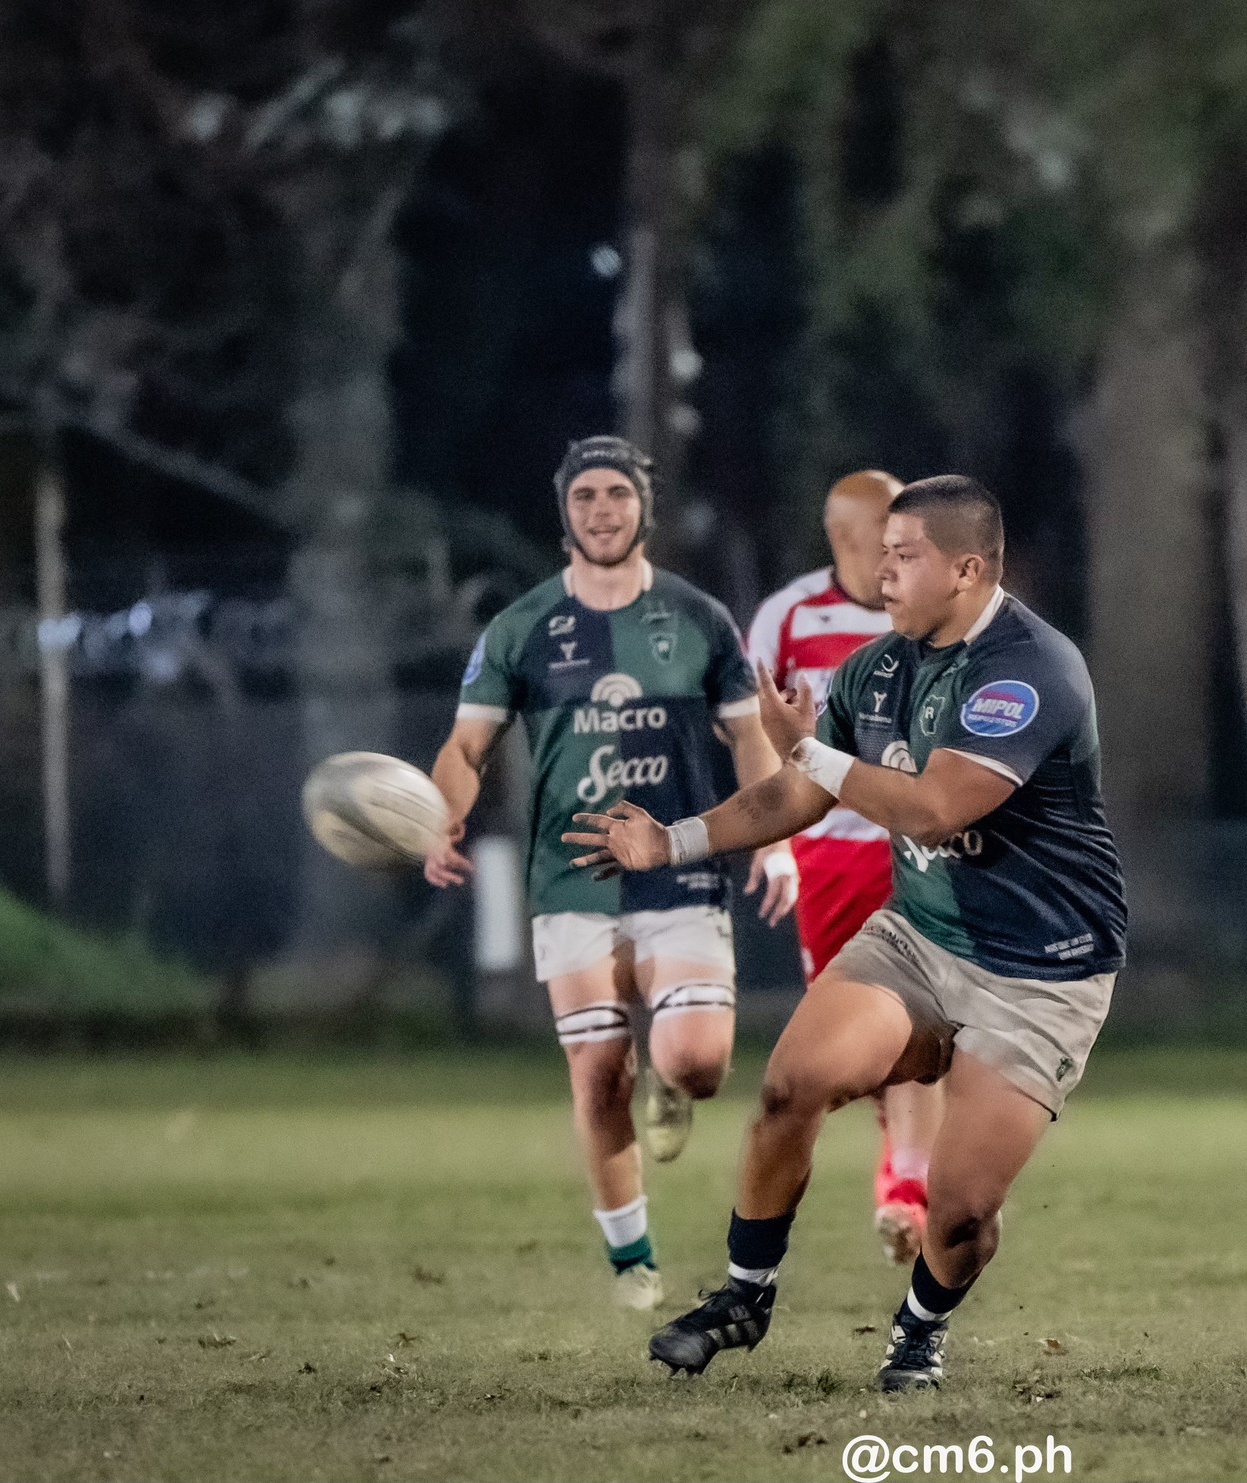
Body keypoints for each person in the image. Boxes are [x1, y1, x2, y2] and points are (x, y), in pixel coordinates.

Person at [565, 475, 1127, 1391]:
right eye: (879, 549)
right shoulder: (877, 666)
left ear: (970, 568)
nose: (880, 568)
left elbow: (937, 808)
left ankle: (917, 1331)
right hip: (921, 935)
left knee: (959, 1215)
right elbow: (799, 793)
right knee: (792, 1085)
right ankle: (744, 1295)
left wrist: (813, 751)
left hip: (1041, 969)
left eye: (905, 555)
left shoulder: (1031, 668)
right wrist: (672, 839)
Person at [422, 436, 796, 1312]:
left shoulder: (699, 618)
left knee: (699, 1063)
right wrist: (441, 815)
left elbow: (748, 737)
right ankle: (633, 1256)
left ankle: (673, 1082)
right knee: (596, 1071)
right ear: (565, 511)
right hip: (572, 881)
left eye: (616, 494)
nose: (601, 509)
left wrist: (773, 839)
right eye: (585, 494)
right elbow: (465, 746)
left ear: (643, 507)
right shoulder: (520, 627)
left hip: (679, 868)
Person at [746, 469, 949, 1267]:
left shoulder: (930, 612)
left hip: (919, 848)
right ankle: (889, 1171)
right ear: (844, 539)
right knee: (850, 1044)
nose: (902, 553)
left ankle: (906, 1184)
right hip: (828, 853)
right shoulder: (788, 617)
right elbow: (753, 732)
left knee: (920, 1019)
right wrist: (770, 838)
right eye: (886, 539)